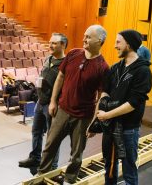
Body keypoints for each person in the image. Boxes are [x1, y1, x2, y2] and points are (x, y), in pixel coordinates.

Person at [37, 25, 109, 184]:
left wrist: (94, 122)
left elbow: (101, 96)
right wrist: (53, 101)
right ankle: (41, 174)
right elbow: (60, 78)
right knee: (50, 145)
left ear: (100, 40)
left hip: (83, 117)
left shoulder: (103, 67)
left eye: (88, 37)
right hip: (62, 110)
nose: (84, 39)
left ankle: (70, 179)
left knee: (76, 154)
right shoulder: (73, 54)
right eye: (84, 35)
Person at [97, 29, 152, 185]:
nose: (115, 46)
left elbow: (134, 103)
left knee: (129, 169)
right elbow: (105, 92)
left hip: (128, 128)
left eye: (118, 42)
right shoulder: (115, 68)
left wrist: (107, 115)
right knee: (109, 166)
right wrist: (97, 119)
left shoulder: (143, 71)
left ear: (129, 44)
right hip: (110, 127)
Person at [18, 33, 67, 175]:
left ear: (63, 45)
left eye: (54, 43)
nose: (50, 45)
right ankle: (35, 158)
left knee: (53, 137)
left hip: (53, 105)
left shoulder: (65, 64)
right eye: (50, 42)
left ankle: (52, 165)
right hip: (40, 102)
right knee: (36, 131)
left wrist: (55, 102)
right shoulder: (48, 58)